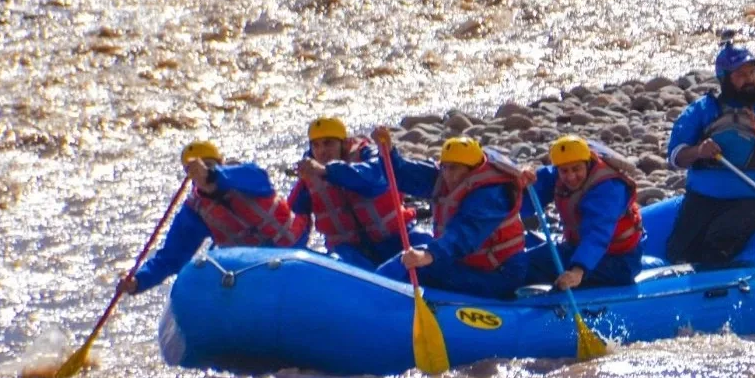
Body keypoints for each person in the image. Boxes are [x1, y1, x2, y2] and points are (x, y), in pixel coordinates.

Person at [665, 41, 755, 265]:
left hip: (753, 198)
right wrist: (699, 151)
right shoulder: (703, 109)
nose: (750, 79)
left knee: (717, 242)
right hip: (702, 198)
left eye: (752, 72)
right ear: (725, 78)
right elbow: (676, 156)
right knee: (677, 252)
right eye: (741, 74)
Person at [119, 141, 306, 295]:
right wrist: (138, 280)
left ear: (219, 164)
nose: (201, 171)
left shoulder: (246, 174)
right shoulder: (195, 210)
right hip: (250, 266)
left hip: (290, 252)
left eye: (208, 164)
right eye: (195, 170)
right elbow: (171, 258)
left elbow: (258, 179)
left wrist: (210, 175)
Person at [372, 129, 528, 299]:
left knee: (414, 265)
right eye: (444, 167)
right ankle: (372, 291)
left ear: (472, 170)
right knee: (411, 253)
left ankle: (372, 300)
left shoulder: (491, 194)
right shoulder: (447, 177)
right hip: (466, 263)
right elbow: (403, 174)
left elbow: (464, 235)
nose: (447, 174)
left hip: (500, 275)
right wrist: (386, 151)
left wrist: (430, 254)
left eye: (453, 168)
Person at [287, 117, 428, 269]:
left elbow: (375, 180)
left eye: (328, 143)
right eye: (316, 145)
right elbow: (294, 223)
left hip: (396, 238)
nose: (322, 151)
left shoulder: (367, 154)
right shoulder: (308, 176)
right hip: (351, 252)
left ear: (344, 144)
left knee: (427, 244)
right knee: (337, 262)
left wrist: (328, 171)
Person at [521, 136, 645, 289]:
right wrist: (520, 183)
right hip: (577, 248)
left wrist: (578, 271)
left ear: (587, 164)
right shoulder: (557, 175)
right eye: (564, 171)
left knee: (540, 271)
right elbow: (532, 193)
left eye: (576, 169)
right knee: (523, 264)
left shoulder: (608, 189)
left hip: (619, 260)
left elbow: (597, 234)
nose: (571, 177)